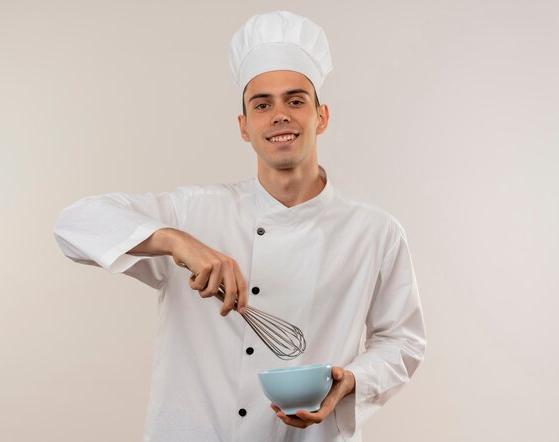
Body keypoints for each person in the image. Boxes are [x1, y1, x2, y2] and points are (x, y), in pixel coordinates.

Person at [54, 10, 426, 442]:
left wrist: (353, 380)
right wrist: (177, 242)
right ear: (244, 127)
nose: (279, 115)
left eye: (295, 100)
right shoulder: (196, 212)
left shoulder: (375, 232)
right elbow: (72, 225)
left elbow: (403, 341)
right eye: (262, 104)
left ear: (321, 116)